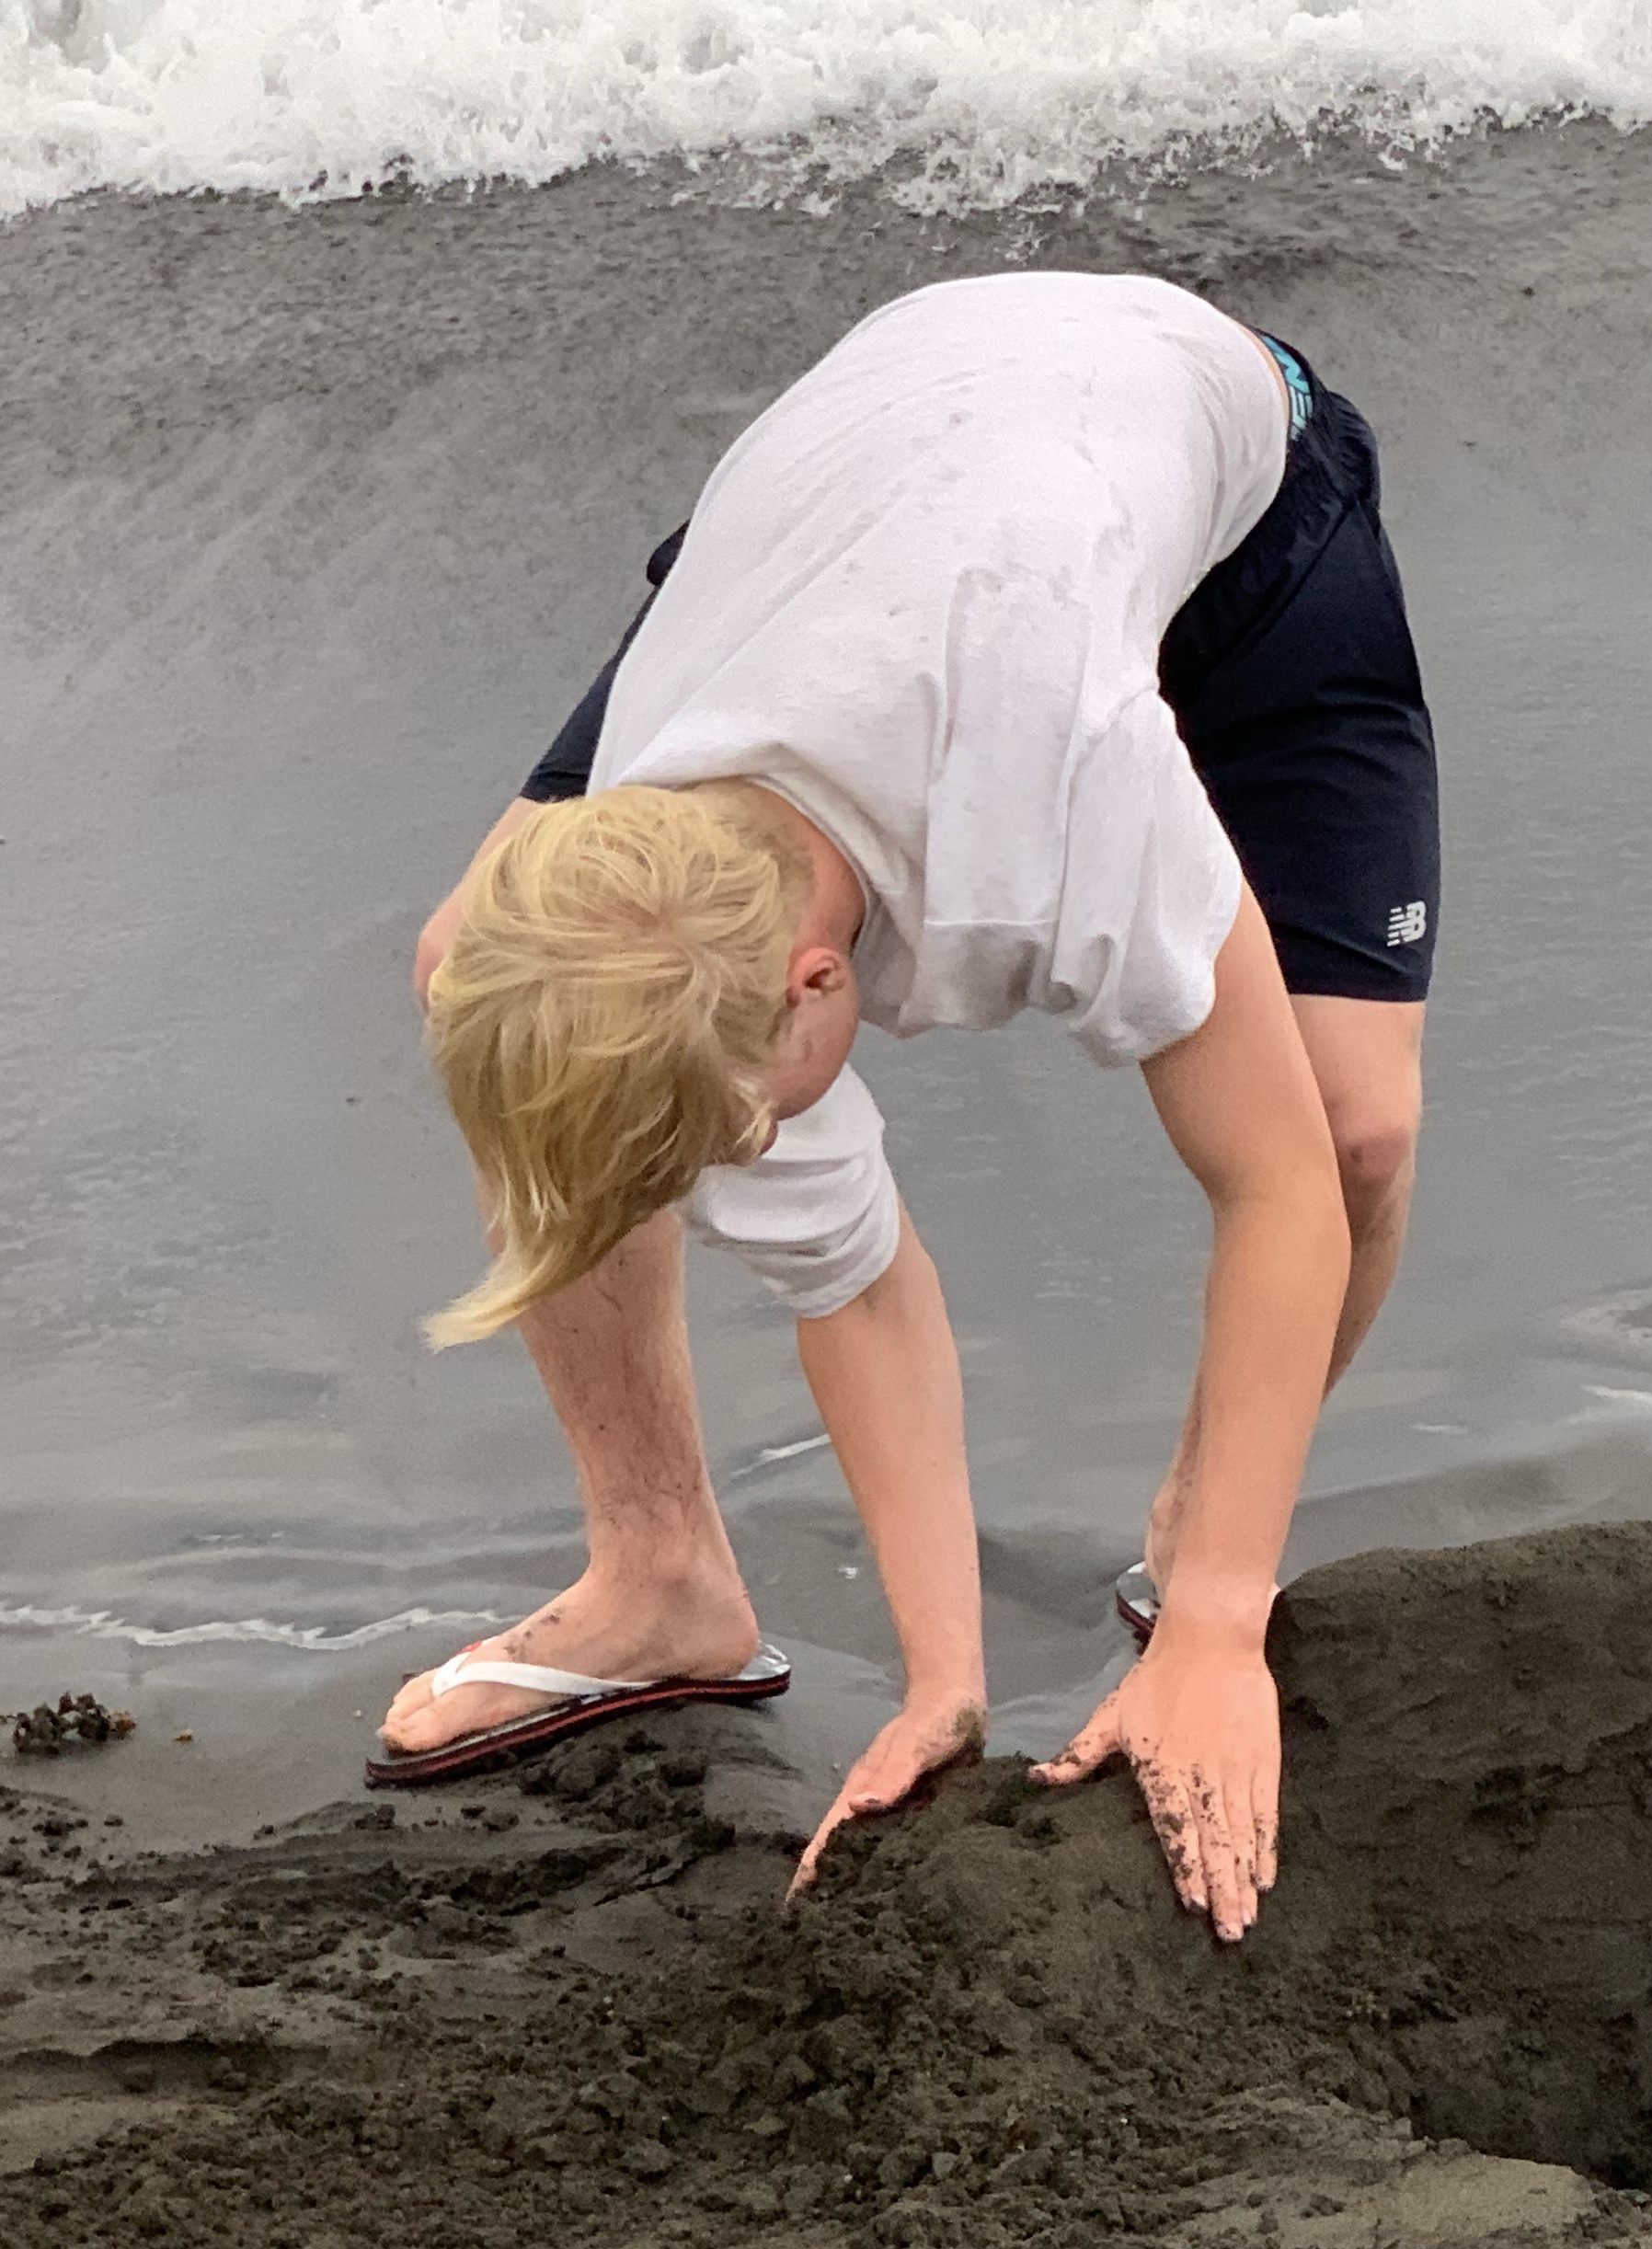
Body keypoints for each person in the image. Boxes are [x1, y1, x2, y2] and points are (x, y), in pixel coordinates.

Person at [377, 270, 1443, 1942]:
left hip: (1238, 513)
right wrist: (943, 1682)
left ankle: (1195, 1541)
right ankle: (663, 1579)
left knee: (1348, 1127)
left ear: (825, 982)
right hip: (857, 508)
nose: (746, 1175)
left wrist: (1220, 1626)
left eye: (736, 1144)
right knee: (484, 975)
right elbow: (855, 1285)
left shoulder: (1063, 786)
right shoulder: (662, 803)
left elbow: (1278, 1190)